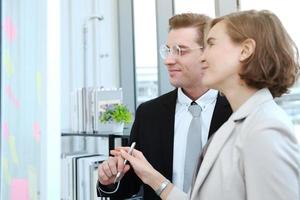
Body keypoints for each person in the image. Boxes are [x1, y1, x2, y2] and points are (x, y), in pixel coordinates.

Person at [116, 10, 300, 200]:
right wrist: (152, 178)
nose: (203, 57)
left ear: (245, 50)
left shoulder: (266, 128)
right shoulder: (238, 124)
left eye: (211, 44)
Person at [97, 13, 232, 199]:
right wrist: (109, 179)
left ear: (207, 53)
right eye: (168, 50)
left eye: (181, 51)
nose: (168, 60)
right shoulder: (149, 114)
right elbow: (129, 186)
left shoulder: (237, 113)